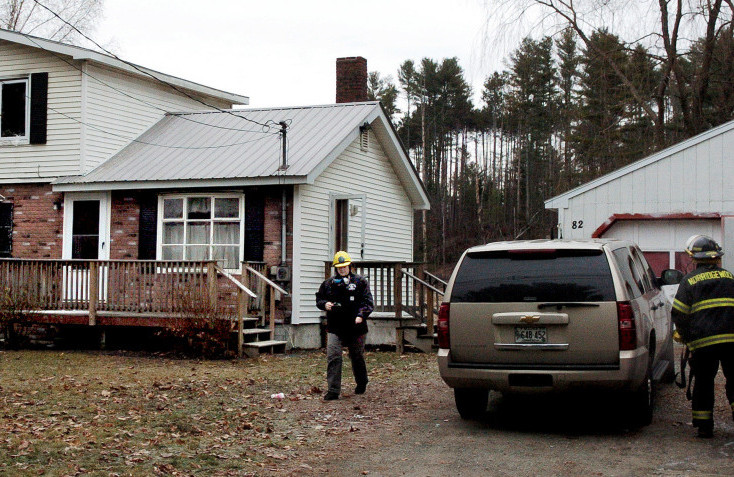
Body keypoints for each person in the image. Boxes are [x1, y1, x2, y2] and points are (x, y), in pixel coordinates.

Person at [672, 235, 734, 438]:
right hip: (732, 342)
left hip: (703, 343)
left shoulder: (689, 281)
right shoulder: (730, 277)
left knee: (704, 383)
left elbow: (679, 313)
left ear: (694, 258)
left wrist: (685, 336)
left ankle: (704, 426)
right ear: (716, 258)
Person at [316, 251, 374, 401]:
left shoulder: (360, 282)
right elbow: (319, 299)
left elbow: (368, 303)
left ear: (350, 266)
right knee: (333, 356)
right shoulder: (328, 284)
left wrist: (361, 315)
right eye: (339, 267)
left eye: (344, 266)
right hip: (335, 326)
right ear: (335, 268)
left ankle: (362, 382)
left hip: (356, 326)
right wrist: (325, 304)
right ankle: (333, 390)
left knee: (356, 356)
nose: (342, 269)